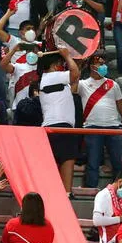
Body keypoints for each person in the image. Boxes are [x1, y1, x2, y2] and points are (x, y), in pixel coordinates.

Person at [77, 54, 122, 187]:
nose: (103, 66)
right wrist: (80, 65)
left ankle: (117, 191)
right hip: (92, 127)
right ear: (92, 67)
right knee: (93, 163)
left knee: (118, 162)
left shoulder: (113, 84)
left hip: (114, 127)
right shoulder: (82, 85)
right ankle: (91, 190)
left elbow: (121, 104)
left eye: (103, 63)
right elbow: (72, 81)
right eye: (100, 64)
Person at [38, 49, 80, 195]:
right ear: (55, 65)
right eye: (61, 63)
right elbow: (75, 75)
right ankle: (65, 194)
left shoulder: (53, 79)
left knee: (62, 160)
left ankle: (54, 194)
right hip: (59, 127)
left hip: (55, 127)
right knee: (67, 160)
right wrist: (67, 56)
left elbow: (74, 85)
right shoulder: (54, 76)